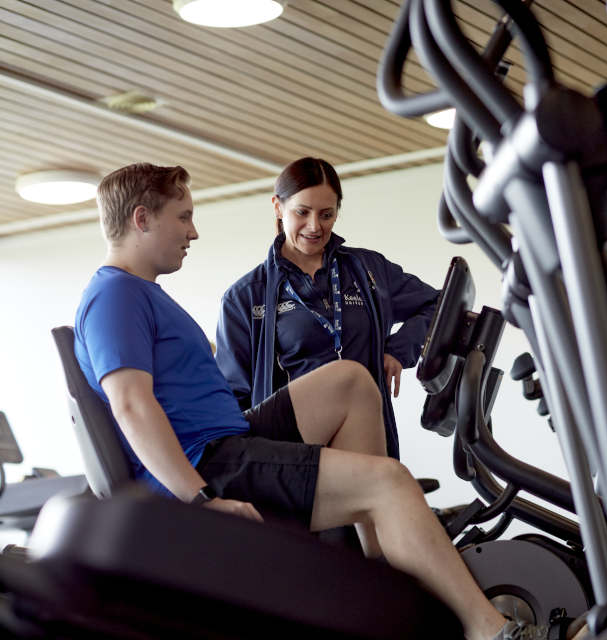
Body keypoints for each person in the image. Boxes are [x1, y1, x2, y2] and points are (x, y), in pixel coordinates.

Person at [73, 163, 572, 640]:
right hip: (211, 465)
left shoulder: (140, 293)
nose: (193, 231)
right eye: (183, 217)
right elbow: (131, 406)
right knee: (390, 482)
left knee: (353, 380)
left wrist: (399, 349)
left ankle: (381, 578)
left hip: (230, 440)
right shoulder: (116, 296)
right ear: (142, 219)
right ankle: (494, 631)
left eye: (327, 213)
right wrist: (200, 501)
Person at [215, 157, 439, 460]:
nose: (314, 226)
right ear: (278, 207)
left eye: (326, 214)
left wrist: (399, 350)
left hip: (367, 440)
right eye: (302, 212)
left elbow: (438, 305)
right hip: (295, 453)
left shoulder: (368, 270)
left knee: (382, 482)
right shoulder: (245, 296)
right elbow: (233, 400)